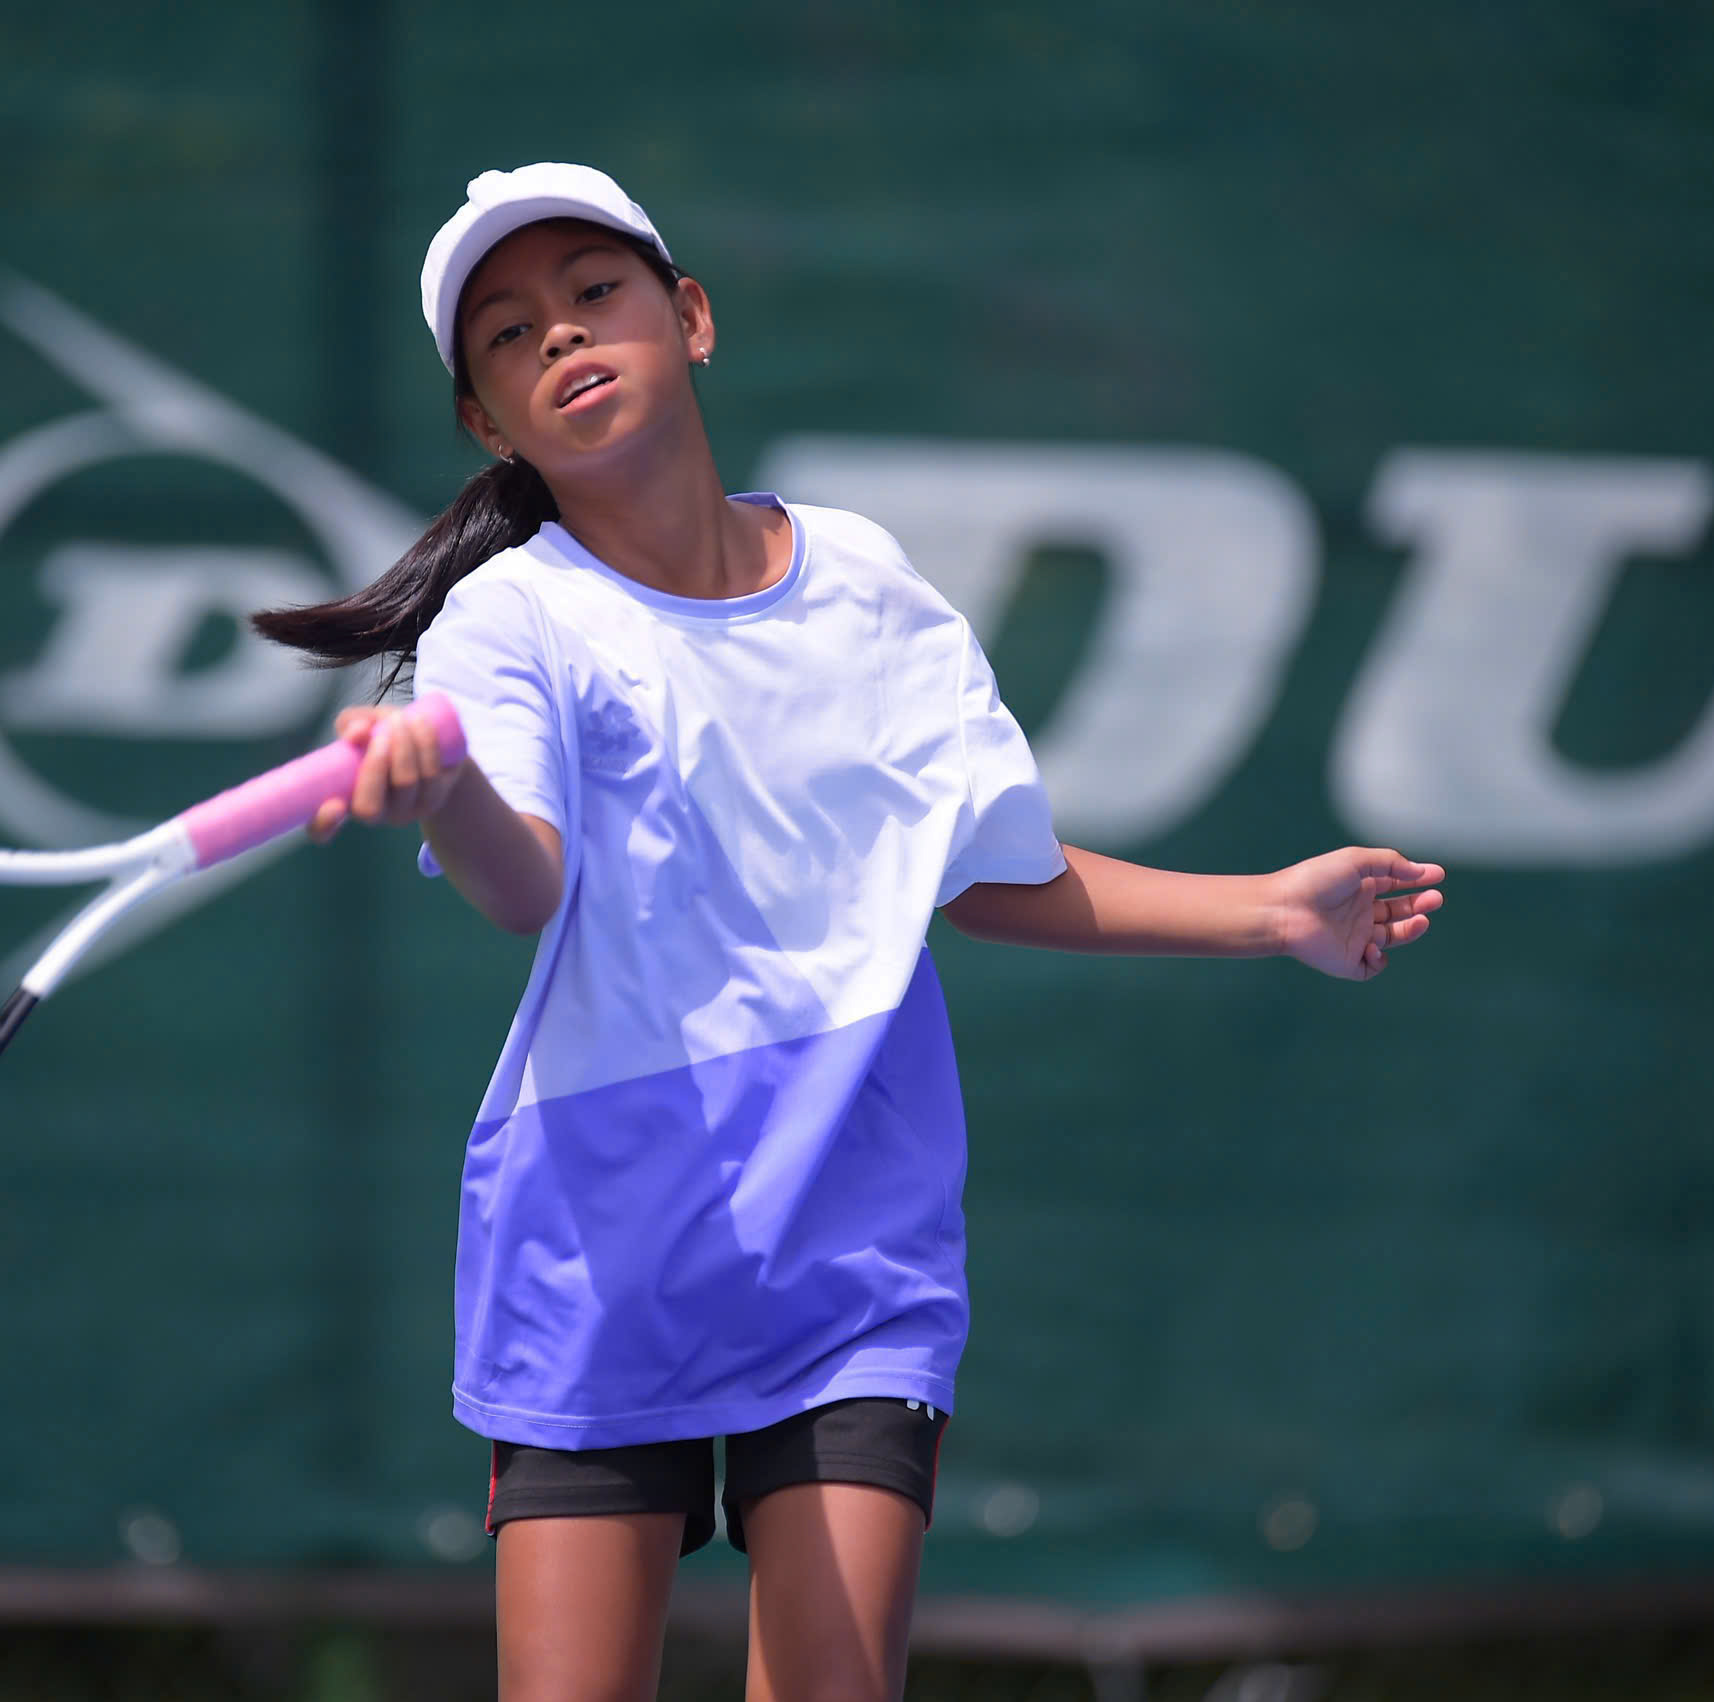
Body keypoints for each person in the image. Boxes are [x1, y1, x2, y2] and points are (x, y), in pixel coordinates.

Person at [254, 163, 1445, 1702]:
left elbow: (975, 866)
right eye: (507, 333)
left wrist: (1273, 910)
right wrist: (448, 789)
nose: (559, 335)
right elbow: (525, 881)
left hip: (851, 1232)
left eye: (594, 292)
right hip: (603, 1234)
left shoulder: (868, 583)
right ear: (489, 421)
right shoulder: (511, 621)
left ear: (688, 317)